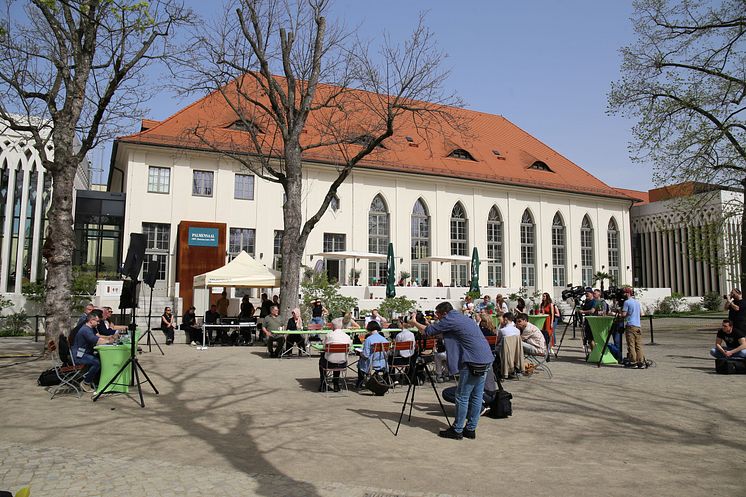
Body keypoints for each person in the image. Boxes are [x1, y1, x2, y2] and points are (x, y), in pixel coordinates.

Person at [408, 302, 494, 440]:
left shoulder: (450, 319)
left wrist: (414, 322)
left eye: (439, 315)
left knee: (462, 397)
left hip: (472, 361)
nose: (438, 318)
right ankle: (471, 429)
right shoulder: (463, 318)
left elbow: (428, 332)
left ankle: (457, 429)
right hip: (485, 358)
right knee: (477, 396)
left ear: (445, 313)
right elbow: (445, 334)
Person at [71, 312, 118, 392]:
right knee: (97, 362)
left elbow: (96, 337)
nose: (98, 323)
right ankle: (86, 382)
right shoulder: (85, 330)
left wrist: (108, 339)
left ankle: (98, 381)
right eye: (97, 321)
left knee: (101, 359)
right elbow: (96, 341)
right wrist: (111, 341)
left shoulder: (88, 328)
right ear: (91, 320)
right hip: (79, 356)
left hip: (83, 353)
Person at [318, 318, 353, 392]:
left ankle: (323, 383)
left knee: (322, 360)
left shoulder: (329, 335)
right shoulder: (347, 336)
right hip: (342, 363)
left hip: (329, 363)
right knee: (338, 358)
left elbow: (324, 347)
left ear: (333, 327)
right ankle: (336, 384)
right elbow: (350, 347)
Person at [356, 321, 389, 389]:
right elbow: (387, 353)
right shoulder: (384, 339)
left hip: (371, 363)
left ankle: (360, 382)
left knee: (360, 363)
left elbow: (366, 355)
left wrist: (360, 353)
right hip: (382, 363)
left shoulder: (369, 339)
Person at [621, 287, 646, 369]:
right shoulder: (637, 302)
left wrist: (620, 312)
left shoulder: (627, 302)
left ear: (627, 293)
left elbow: (624, 315)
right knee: (638, 345)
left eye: (624, 293)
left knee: (631, 344)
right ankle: (640, 361)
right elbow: (642, 314)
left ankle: (633, 361)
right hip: (638, 325)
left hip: (630, 325)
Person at [498, 312, 524, 380]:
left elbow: (497, 342)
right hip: (515, 353)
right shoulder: (517, 331)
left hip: (505, 353)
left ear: (506, 319)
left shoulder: (502, 331)